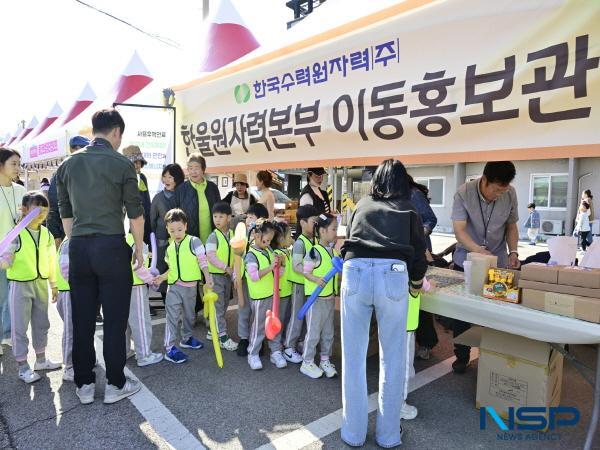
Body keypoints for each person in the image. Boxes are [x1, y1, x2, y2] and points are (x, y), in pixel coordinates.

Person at [56, 108, 144, 405]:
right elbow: (135, 214)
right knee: (115, 320)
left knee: (82, 318)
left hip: (79, 247)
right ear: (116, 132)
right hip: (111, 248)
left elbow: (66, 215)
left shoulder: (67, 165)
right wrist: (140, 249)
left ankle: (84, 384)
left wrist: (76, 242)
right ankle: (116, 384)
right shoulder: (122, 164)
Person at [340, 159, 427, 448]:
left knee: (352, 357)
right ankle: (388, 436)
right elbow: (418, 256)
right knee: (392, 358)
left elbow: (348, 242)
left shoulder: (362, 204)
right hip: (393, 274)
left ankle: (352, 434)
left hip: (355, 273)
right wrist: (415, 285)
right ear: (404, 183)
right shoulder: (409, 209)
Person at [451, 161, 519, 374]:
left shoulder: (510, 193)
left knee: (498, 309)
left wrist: (514, 252)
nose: (500, 194)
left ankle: (494, 356)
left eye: (504, 190)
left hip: (497, 261)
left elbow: (511, 226)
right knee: (461, 312)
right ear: (485, 180)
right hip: (467, 260)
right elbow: (459, 230)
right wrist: (476, 250)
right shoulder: (463, 193)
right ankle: (462, 355)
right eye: (497, 190)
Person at [0, 192, 61, 383]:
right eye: (37, 209)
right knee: (19, 327)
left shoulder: (46, 234)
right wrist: (5, 259)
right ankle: (23, 366)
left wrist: (54, 285)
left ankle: (41, 360)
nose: (41, 214)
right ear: (24, 210)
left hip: (41, 284)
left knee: (41, 323)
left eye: (45, 210)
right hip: (20, 285)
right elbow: (5, 261)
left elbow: (52, 261)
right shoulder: (16, 233)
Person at [153, 209, 213, 364]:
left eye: (179, 229)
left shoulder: (194, 241)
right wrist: (161, 278)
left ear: (185, 226)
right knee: (172, 318)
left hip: (191, 288)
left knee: (189, 316)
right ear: (167, 229)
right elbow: (171, 269)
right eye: (172, 230)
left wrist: (208, 278)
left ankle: (186, 338)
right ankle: (169, 347)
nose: (176, 233)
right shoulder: (170, 248)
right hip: (173, 288)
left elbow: (203, 261)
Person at [301, 213, 340, 379]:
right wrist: (317, 279)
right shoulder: (314, 251)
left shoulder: (332, 251)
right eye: (333, 229)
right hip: (315, 300)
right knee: (313, 332)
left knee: (328, 332)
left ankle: (325, 359)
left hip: (329, 298)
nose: (335, 233)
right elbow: (306, 272)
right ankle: (307, 361)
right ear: (322, 231)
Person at [244, 219, 287, 370]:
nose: (268, 243)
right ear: (256, 235)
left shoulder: (269, 251)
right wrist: (271, 267)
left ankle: (275, 352)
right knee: (259, 326)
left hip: (273, 296)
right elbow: (254, 276)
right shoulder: (251, 255)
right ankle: (253, 353)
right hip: (260, 298)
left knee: (275, 325)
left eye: (270, 240)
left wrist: (281, 266)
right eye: (266, 239)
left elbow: (278, 273)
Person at [408, 175, 439, 361]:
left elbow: (430, 219)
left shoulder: (414, 195)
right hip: (403, 254)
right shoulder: (392, 196)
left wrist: (418, 235)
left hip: (420, 253)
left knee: (420, 298)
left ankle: (426, 342)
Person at [284, 204, 319, 364]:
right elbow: (296, 266)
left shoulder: (314, 240)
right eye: (314, 222)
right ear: (302, 222)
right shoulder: (300, 243)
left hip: (309, 285)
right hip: (300, 285)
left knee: (305, 317)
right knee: (297, 315)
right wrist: (310, 273)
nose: (316, 225)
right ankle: (288, 347)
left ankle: (298, 343)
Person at [0, 148, 27, 350]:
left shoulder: (21, 191)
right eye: (13, 164)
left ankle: (8, 334)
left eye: (19, 163)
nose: (18, 168)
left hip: (18, 252)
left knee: (12, 297)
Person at [124, 233, 163, 366]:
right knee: (140, 322)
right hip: (136, 287)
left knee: (124, 323)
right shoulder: (138, 242)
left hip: (118, 287)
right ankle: (144, 355)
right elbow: (138, 267)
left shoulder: (115, 238)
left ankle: (125, 351)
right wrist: (151, 280)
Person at [236, 202, 270, 357]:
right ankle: (244, 338)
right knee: (244, 309)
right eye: (247, 217)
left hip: (259, 282)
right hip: (244, 279)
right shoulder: (242, 236)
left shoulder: (265, 238)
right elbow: (236, 259)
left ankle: (258, 339)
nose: (248, 220)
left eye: (251, 217)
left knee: (258, 312)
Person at [205, 202, 238, 352]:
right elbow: (210, 256)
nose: (217, 219)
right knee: (219, 307)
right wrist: (226, 267)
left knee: (224, 304)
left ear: (229, 218)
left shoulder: (232, 235)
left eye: (221, 216)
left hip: (226, 276)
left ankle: (213, 331)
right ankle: (223, 337)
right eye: (215, 216)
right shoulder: (213, 236)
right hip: (216, 276)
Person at [47, 135, 90, 248]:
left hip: (89, 233)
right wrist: (56, 235)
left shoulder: (90, 173)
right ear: (73, 150)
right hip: (66, 234)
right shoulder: (61, 173)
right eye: (83, 148)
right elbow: (53, 206)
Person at [150, 163, 185, 297]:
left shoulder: (182, 195)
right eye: (164, 176)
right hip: (162, 241)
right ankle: (166, 300)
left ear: (177, 178)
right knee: (163, 268)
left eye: (170, 177)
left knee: (177, 268)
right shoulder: (158, 197)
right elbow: (152, 220)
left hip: (179, 241)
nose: (166, 180)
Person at [175, 154, 221, 244]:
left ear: (203, 169)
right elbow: (176, 215)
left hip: (212, 239)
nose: (193, 172)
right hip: (189, 240)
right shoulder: (181, 189)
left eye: (196, 168)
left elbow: (219, 211)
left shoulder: (212, 187)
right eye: (190, 168)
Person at [122, 145, 152, 244]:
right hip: (129, 228)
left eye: (139, 162)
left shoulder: (142, 177)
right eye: (134, 162)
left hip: (145, 226)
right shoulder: (122, 179)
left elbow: (147, 203)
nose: (137, 165)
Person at [271, 221, 294, 349]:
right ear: (280, 239)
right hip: (280, 293)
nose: (291, 239)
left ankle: (281, 341)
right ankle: (275, 346)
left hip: (287, 291)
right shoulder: (277, 254)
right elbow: (277, 274)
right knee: (278, 319)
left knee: (285, 318)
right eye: (289, 236)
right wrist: (282, 264)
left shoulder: (286, 252)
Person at [56, 238, 74, 381]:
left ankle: (86, 359)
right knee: (71, 330)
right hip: (70, 291)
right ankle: (69, 366)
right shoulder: (70, 241)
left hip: (73, 291)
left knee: (83, 329)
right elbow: (65, 268)